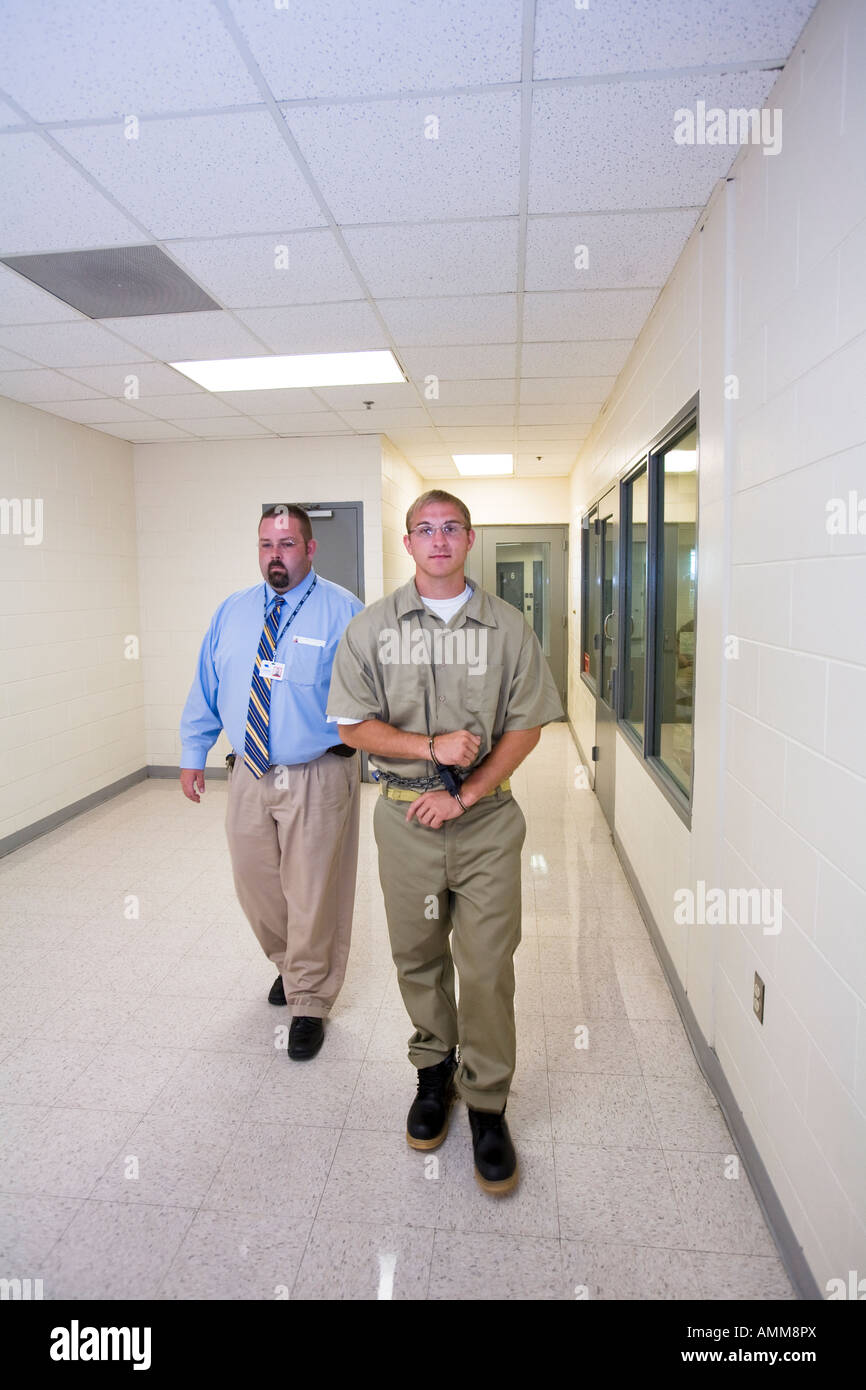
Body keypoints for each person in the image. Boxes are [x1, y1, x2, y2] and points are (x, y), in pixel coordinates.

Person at [326, 489, 563, 1193]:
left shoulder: (509, 629)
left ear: (468, 539)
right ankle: (434, 1076)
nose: (437, 539)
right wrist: (428, 745)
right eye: (424, 529)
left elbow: (527, 726)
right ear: (408, 543)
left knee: (488, 964)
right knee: (418, 955)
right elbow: (351, 723)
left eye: (450, 527)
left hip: (487, 822)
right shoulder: (372, 629)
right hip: (404, 821)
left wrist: (464, 792)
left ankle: (487, 1102)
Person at [179, 503, 363, 1060]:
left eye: (286, 544)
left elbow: (369, 698)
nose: (274, 556)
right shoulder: (232, 612)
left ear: (310, 548)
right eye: (265, 545)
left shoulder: (344, 612)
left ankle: (308, 998)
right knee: (256, 885)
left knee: (312, 890)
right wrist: (194, 751)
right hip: (249, 771)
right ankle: (288, 962)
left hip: (317, 771)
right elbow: (208, 684)